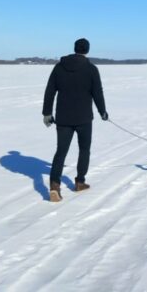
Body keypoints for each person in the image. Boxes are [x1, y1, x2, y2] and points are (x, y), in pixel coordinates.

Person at [42, 38, 108, 202]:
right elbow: (97, 93)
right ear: (87, 50)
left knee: (61, 151)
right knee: (84, 150)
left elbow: (50, 91)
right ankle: (79, 182)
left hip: (64, 118)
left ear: (74, 48)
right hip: (84, 118)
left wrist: (47, 113)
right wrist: (103, 112)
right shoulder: (91, 69)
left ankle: (54, 186)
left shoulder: (59, 67)